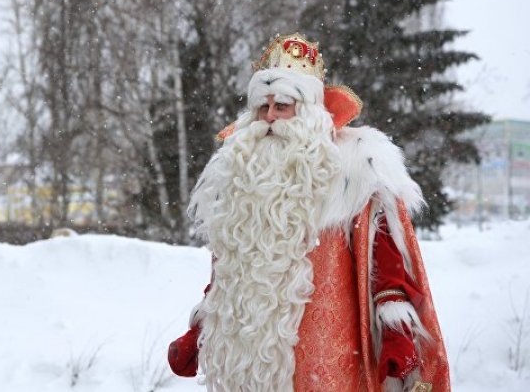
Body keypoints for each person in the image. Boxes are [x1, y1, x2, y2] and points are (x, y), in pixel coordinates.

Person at [167, 33, 450, 392]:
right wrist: (201, 329)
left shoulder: (355, 170)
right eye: (262, 107)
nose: (270, 118)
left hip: (328, 362)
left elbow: (385, 263)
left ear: (310, 110)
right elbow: (234, 273)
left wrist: (397, 331)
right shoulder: (240, 174)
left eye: (282, 105)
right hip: (252, 367)